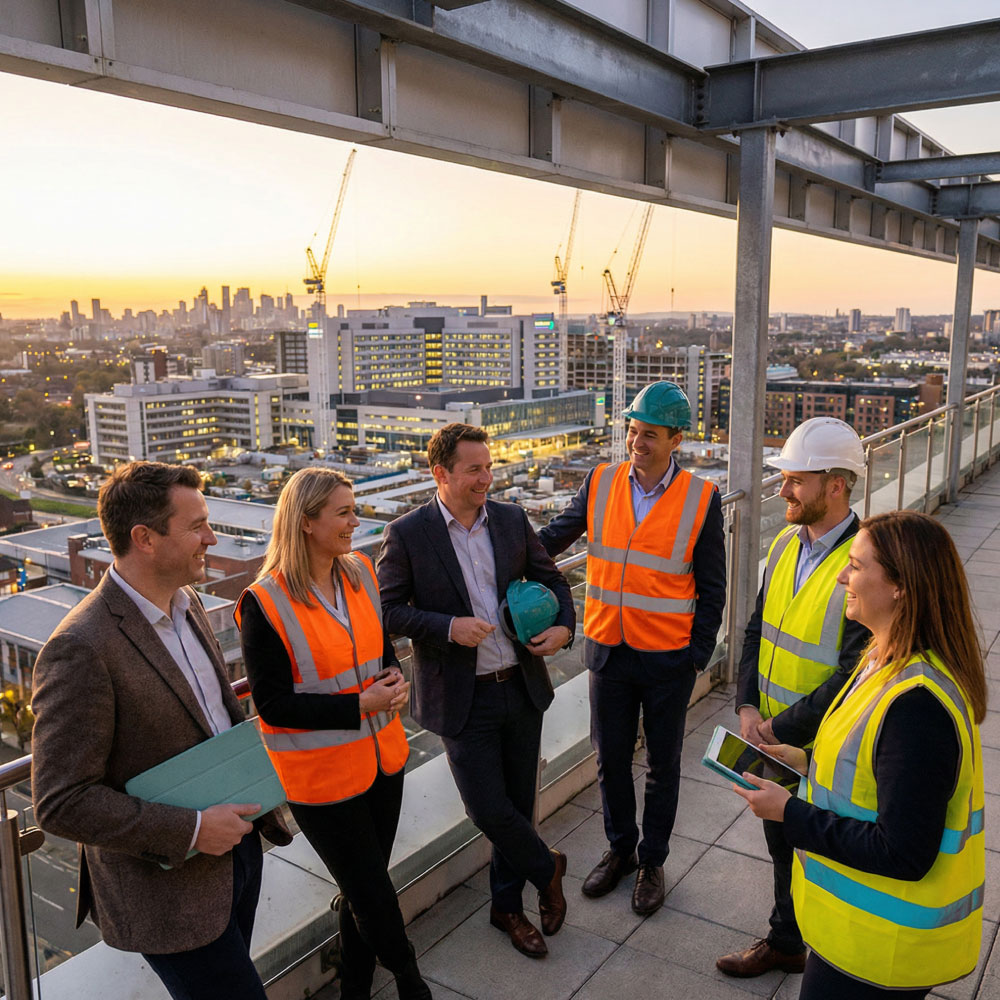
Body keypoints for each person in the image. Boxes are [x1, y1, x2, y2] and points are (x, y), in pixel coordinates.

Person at [31, 461, 291, 1000]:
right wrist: (194, 830)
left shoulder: (187, 601)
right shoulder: (80, 647)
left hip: (239, 850)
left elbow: (213, 717)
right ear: (144, 539)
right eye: (196, 525)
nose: (211, 538)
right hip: (169, 887)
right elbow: (60, 802)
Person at [734, 510, 986, 999]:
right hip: (852, 935)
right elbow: (872, 769)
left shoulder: (916, 706)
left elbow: (904, 851)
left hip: (881, 949)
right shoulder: (880, 658)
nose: (843, 577)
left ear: (900, 587)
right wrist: (803, 761)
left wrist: (790, 812)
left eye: (856, 565)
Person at [376, 423, 574, 959]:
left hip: (522, 686)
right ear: (440, 473)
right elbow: (387, 611)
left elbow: (552, 579)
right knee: (488, 810)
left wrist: (564, 628)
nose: (486, 478)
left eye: (489, 467)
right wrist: (447, 627)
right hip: (464, 698)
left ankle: (506, 909)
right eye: (474, 469)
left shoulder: (510, 519)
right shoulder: (409, 533)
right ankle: (546, 867)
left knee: (517, 807)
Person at [236, 467, 432, 1000]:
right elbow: (273, 705)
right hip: (321, 782)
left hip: (382, 761)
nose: (355, 521)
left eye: (353, 509)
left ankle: (355, 990)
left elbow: (379, 651)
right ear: (306, 522)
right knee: (372, 893)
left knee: (360, 891)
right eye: (343, 512)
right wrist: (358, 704)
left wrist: (393, 679)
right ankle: (414, 985)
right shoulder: (264, 602)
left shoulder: (361, 573)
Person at [539, 381, 725, 916]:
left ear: (676, 440)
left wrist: (697, 653)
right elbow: (553, 538)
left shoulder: (701, 497)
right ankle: (620, 850)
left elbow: (712, 586)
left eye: (649, 434)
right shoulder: (599, 482)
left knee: (663, 766)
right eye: (632, 430)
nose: (636, 442)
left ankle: (652, 861)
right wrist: (497, 554)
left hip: (668, 658)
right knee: (610, 760)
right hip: (608, 651)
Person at [717, 417, 870, 977]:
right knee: (781, 840)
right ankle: (787, 940)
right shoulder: (785, 543)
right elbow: (758, 628)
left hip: (823, 743)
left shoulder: (863, 560)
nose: (782, 490)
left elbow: (855, 670)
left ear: (835, 485)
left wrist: (782, 727)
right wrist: (748, 706)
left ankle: (813, 947)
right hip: (772, 733)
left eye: (795, 480)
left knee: (818, 848)